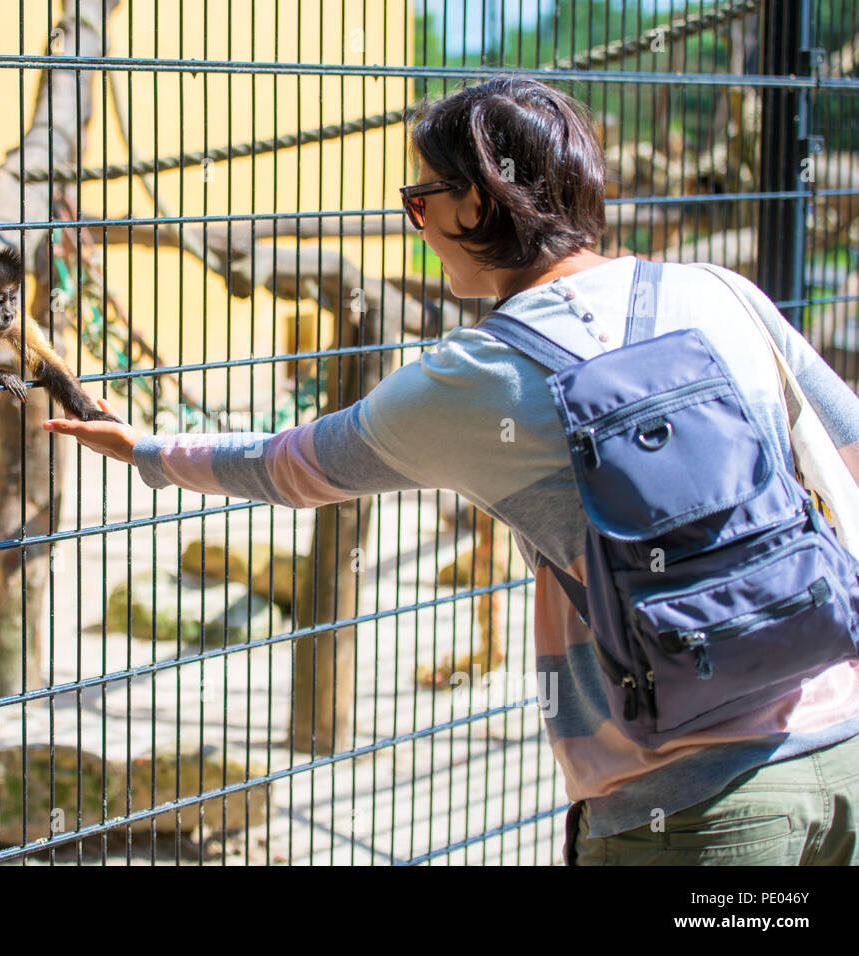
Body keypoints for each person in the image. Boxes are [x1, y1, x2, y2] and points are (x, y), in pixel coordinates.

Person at [43, 76, 859, 865]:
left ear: (476, 200)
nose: (418, 223)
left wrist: (146, 452)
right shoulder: (721, 292)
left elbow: (291, 466)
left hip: (690, 812)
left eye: (421, 199)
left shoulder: (478, 376)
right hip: (844, 750)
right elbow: (848, 445)